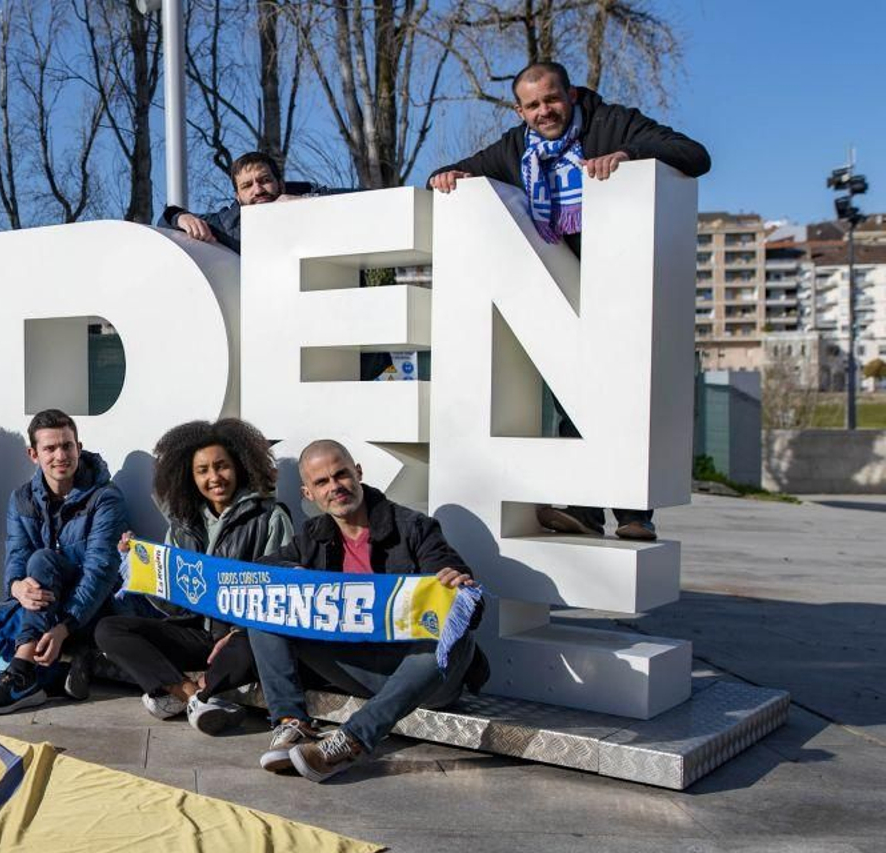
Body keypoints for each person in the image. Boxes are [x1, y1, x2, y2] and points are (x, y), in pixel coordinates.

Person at [428, 60, 711, 542]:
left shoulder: (610, 123)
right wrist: (445, 177)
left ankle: (634, 514)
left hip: (622, 283)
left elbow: (695, 154)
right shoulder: (518, 147)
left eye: (552, 99)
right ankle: (583, 511)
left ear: (573, 94)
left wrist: (627, 154)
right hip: (562, 287)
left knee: (622, 394)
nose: (545, 111)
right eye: (533, 105)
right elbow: (457, 171)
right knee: (572, 397)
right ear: (520, 111)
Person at [250, 440, 485, 783]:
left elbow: (469, 605)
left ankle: (352, 740)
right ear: (308, 493)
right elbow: (261, 570)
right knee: (267, 609)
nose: (335, 487)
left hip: (427, 679)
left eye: (341, 474)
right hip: (362, 670)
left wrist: (459, 589)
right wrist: (289, 573)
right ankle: (292, 725)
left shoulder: (415, 528)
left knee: (452, 633)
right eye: (322, 482)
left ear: (357, 472)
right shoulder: (312, 537)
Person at [97, 418, 294, 734]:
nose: (214, 477)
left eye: (222, 466)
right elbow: (173, 607)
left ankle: (182, 693)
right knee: (109, 630)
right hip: (196, 633)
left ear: (240, 466)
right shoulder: (182, 525)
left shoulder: (270, 517)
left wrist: (237, 632)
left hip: (241, 637)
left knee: (250, 649)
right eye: (202, 470)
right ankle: (192, 695)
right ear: (189, 476)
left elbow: (280, 591)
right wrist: (138, 566)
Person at [0, 409, 130, 713]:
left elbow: (100, 573)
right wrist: (16, 588)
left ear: (78, 448)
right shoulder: (22, 498)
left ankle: (19, 674)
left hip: (87, 609)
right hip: (40, 607)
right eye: (50, 448)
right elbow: (16, 557)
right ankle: (55, 676)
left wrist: (64, 627)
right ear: (33, 454)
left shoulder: (105, 498)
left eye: (67, 446)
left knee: (43, 560)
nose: (60, 455)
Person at [159, 151, 346, 253]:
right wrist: (180, 217)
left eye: (265, 180)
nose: (257, 190)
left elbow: (365, 198)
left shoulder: (310, 197)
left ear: (280, 184)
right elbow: (163, 224)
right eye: (247, 185)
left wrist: (308, 203)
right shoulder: (227, 225)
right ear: (237, 197)